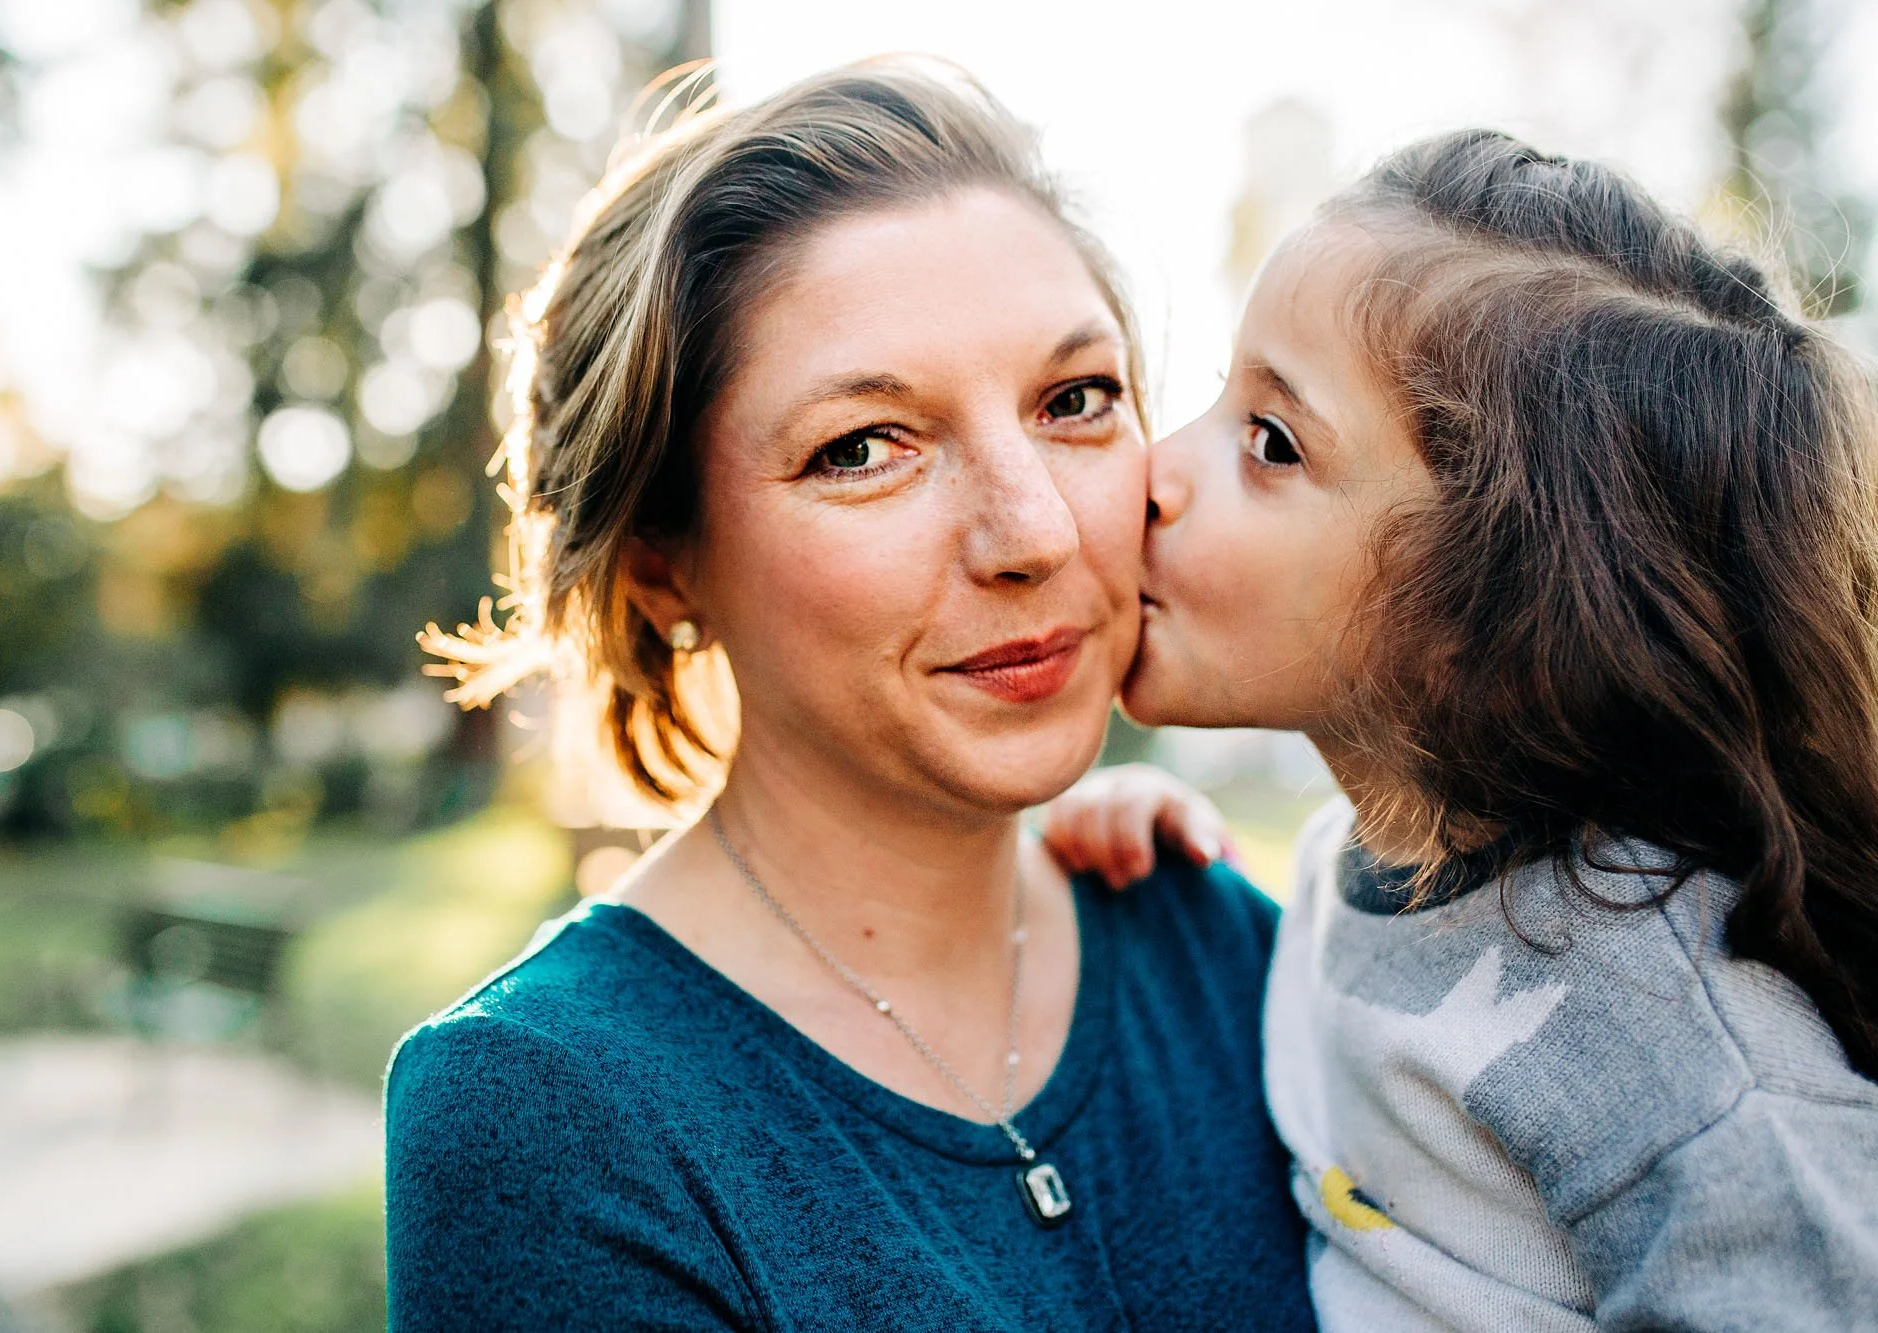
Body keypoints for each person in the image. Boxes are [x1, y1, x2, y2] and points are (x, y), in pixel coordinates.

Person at [384, 61, 1314, 1331]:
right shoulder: (548, 1111)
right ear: (663, 566)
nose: (1031, 531)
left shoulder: (1217, 940)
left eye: (1074, 401)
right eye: (863, 447)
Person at [1045, 130, 1878, 1329]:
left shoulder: (1670, 1032)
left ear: (1496, 612)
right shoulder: (1370, 854)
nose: (1152, 470)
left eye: (1270, 442)